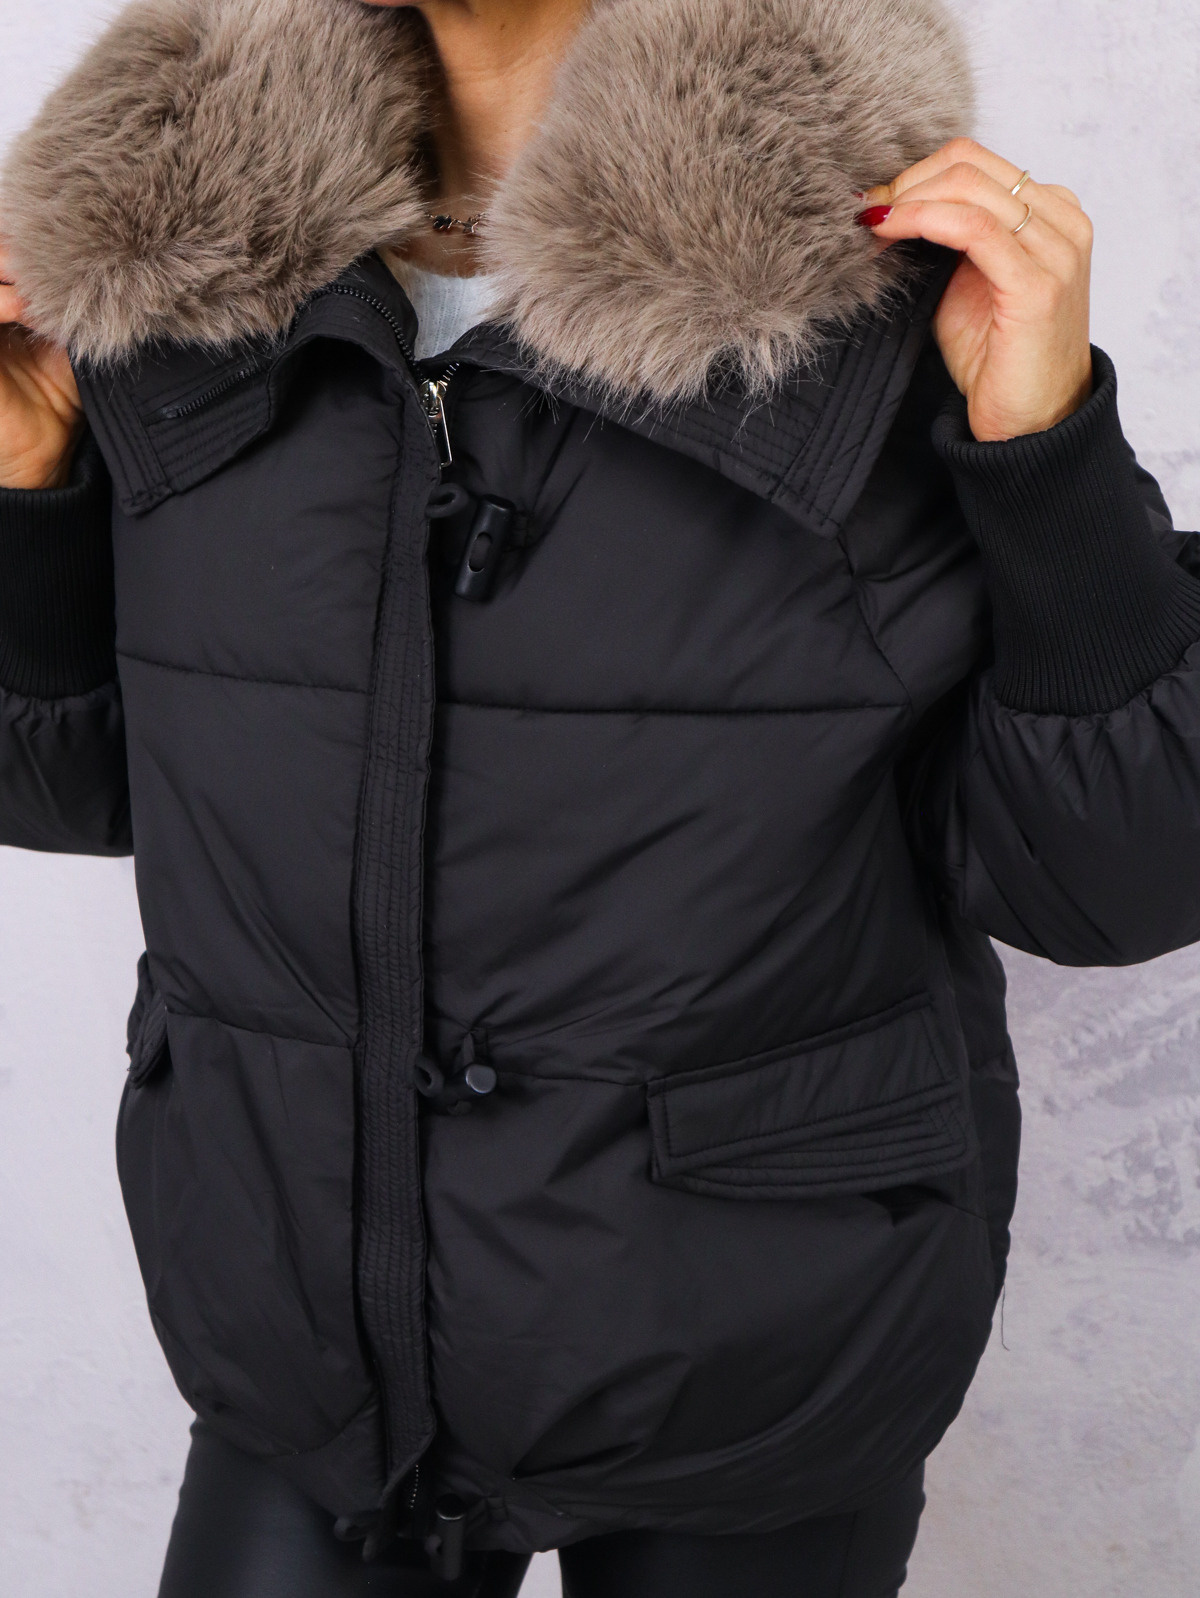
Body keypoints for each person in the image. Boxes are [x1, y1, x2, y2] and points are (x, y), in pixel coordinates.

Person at [1, 0, 1198, 1594]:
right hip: (313, 1344)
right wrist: (24, 487)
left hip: (759, 1354)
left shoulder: (875, 280)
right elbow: (82, 788)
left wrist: (1049, 456)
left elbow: (1117, 878)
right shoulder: (168, 276)